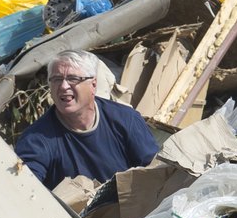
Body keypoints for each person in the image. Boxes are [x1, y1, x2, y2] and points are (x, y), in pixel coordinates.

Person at [14, 49, 159, 189]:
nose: (64, 86)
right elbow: (24, 186)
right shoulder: (36, 139)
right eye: (57, 79)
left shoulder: (126, 119)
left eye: (73, 78)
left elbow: (155, 172)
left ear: (93, 85)